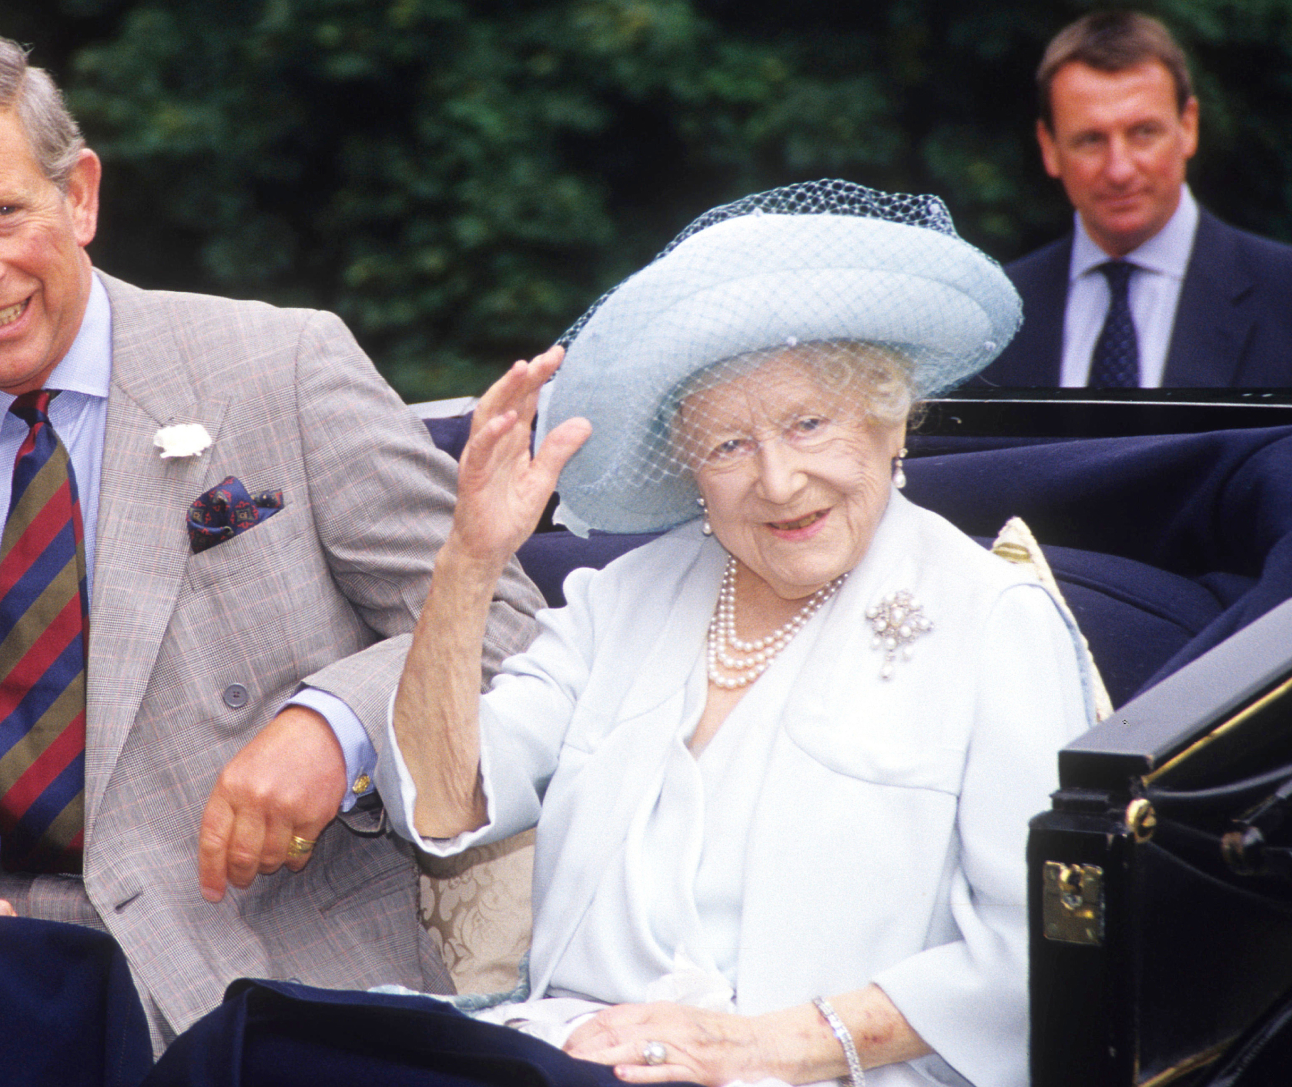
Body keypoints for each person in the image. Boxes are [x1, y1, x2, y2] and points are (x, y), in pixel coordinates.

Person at [146, 180, 1096, 1087]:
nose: (775, 480)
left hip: (808, 1067)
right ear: (691, 471)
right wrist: (468, 562)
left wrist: (752, 1045)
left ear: (891, 422)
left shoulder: (990, 619)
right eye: (728, 445)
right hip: (564, 1048)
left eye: (809, 425)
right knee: (244, 1046)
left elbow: (1038, 950)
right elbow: (443, 807)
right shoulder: (621, 602)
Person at [0, 26, 542, 1080]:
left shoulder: (280, 366)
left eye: (3, 212)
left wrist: (334, 725)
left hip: (267, 966)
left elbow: (506, 623)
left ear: (78, 195)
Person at [979, 10, 1292, 389]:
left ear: (1188, 126)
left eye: (1143, 133)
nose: (1120, 170)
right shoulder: (996, 316)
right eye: (1090, 140)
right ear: (1049, 147)